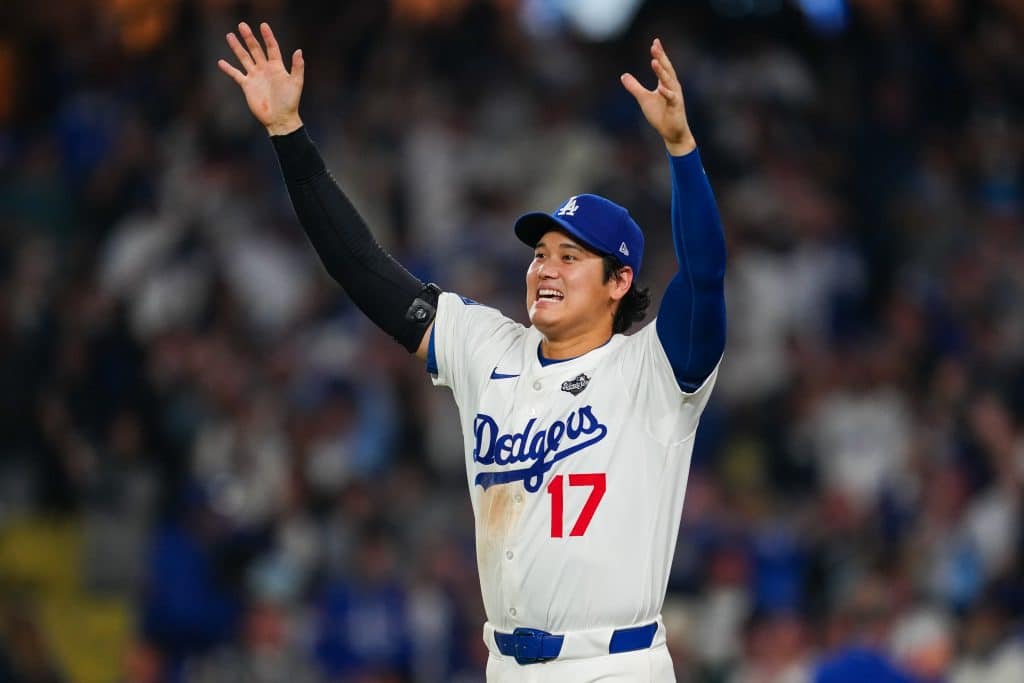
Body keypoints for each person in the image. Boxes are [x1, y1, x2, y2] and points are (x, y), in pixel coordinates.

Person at [218, 21, 726, 682]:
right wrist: (289, 134)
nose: (546, 268)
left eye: (570, 257)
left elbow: (705, 274)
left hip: (615, 663)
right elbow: (361, 268)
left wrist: (681, 148)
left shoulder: (654, 368)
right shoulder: (486, 347)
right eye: (540, 253)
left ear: (619, 281)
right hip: (506, 665)